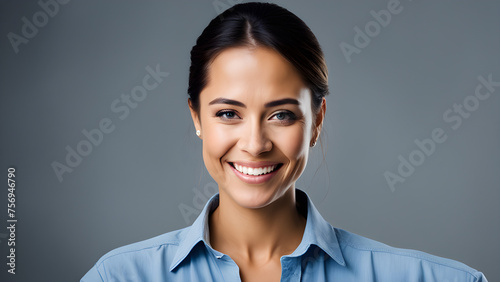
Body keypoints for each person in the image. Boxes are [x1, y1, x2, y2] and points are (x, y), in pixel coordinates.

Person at [81, 2, 487, 281]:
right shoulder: (118, 276)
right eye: (228, 114)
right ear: (196, 117)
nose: (255, 144)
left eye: (281, 115)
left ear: (316, 122)